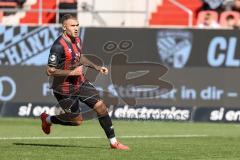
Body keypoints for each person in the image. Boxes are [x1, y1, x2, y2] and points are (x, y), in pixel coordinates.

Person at [40, 14, 129, 150]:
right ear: (64, 27)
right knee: (77, 121)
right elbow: (49, 71)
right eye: (72, 26)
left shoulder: (77, 40)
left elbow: (79, 57)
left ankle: (114, 143)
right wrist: (71, 73)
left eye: (77, 25)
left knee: (101, 107)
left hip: (80, 82)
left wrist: (97, 67)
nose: (76, 28)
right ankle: (47, 119)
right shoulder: (58, 46)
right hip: (64, 88)